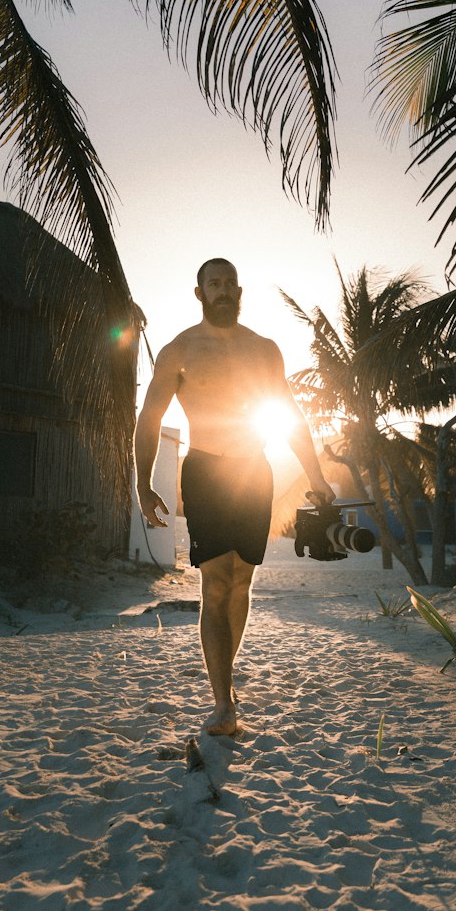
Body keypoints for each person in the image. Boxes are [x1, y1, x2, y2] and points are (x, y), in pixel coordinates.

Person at [134, 258, 335, 737]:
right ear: (199, 292)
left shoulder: (264, 350)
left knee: (242, 583)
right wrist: (144, 484)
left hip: (252, 471)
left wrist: (316, 474)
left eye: (229, 284)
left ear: (239, 290)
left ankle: (226, 684)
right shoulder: (178, 349)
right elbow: (148, 417)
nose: (223, 291)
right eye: (214, 284)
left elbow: (289, 414)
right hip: (205, 471)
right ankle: (223, 701)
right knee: (215, 585)